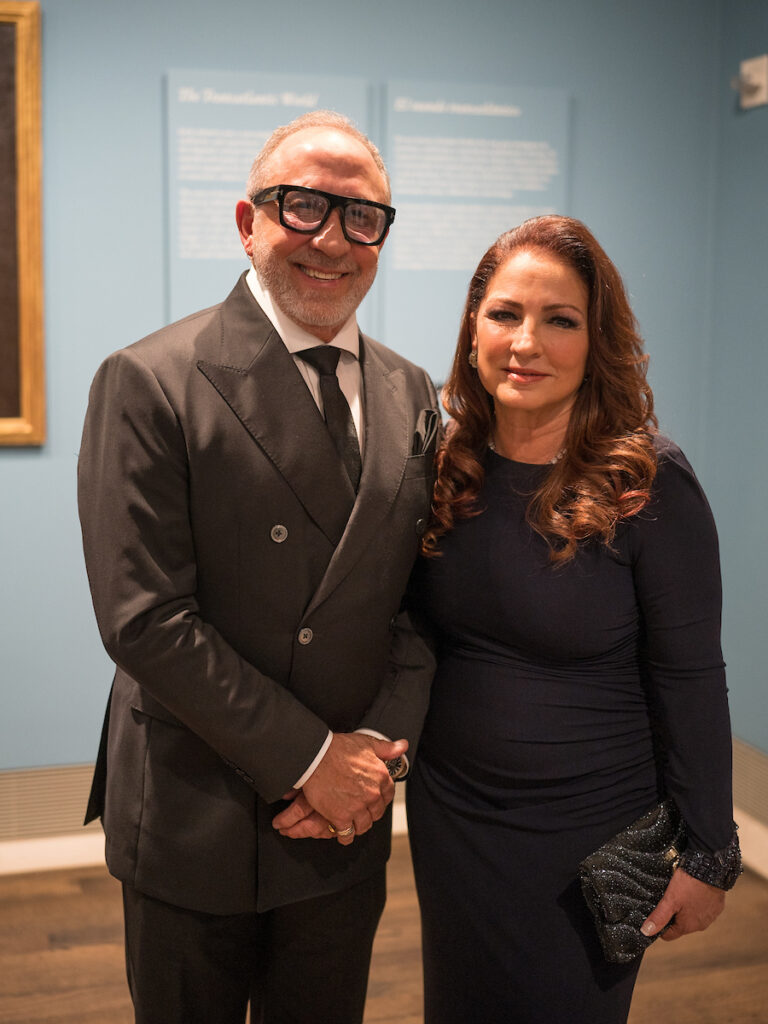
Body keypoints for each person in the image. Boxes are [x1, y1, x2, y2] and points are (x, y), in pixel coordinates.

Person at [77, 110, 439, 1024]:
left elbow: (417, 604)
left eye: (362, 218)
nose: (332, 239)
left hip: (342, 822)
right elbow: (145, 618)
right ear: (248, 222)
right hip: (198, 812)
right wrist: (308, 756)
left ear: (383, 238)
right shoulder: (152, 378)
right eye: (302, 206)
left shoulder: (413, 392)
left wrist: (372, 766)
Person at [405, 215, 741, 1024]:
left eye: (561, 320)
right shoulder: (446, 464)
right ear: (473, 327)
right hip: (454, 823)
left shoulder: (647, 482)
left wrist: (710, 853)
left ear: (598, 341)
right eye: (505, 314)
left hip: (587, 839)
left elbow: (691, 676)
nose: (527, 342)